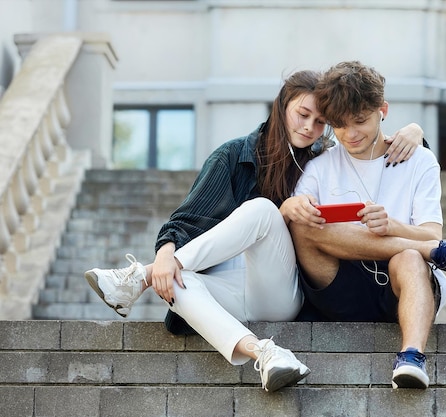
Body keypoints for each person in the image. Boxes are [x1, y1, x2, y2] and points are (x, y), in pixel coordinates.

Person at [83, 69, 426, 392]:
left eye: (321, 122)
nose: (309, 127)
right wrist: (163, 256)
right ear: (281, 106)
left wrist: (414, 131)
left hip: (280, 291)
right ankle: (264, 354)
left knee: (263, 211)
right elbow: (187, 219)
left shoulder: (324, 160)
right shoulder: (234, 155)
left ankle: (136, 278)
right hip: (226, 288)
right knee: (174, 281)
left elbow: (370, 141)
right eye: (302, 114)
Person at [285, 61, 446, 389]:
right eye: (340, 125)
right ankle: (439, 254)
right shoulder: (319, 167)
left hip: (400, 284)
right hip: (339, 287)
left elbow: (433, 234)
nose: (350, 134)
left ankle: (412, 357)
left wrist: (392, 225)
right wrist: (291, 206)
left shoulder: (418, 161)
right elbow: (300, 227)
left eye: (360, 121)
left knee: (408, 257)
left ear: (382, 110)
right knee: (302, 223)